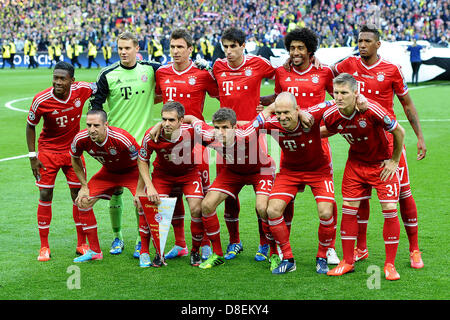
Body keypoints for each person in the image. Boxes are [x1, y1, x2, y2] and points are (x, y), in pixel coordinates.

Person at [332, 24, 426, 268]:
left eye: (366, 41)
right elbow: (325, 76)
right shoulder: (347, 65)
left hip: (388, 145)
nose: (362, 44)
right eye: (359, 40)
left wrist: (420, 137)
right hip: (361, 144)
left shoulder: (391, 70)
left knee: (404, 195)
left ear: (377, 44)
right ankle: (360, 248)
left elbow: (407, 104)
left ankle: (414, 249)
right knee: (359, 199)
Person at [259, 27, 340, 266]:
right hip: (290, 149)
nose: (295, 52)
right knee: (285, 203)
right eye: (292, 48)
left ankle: (330, 249)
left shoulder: (324, 72)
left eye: (300, 48)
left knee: (327, 206)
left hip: (318, 146)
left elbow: (336, 103)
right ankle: (286, 250)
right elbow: (277, 103)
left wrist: (320, 129)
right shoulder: (282, 74)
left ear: (309, 50)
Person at [324, 73, 405, 281]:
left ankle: (389, 265)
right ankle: (347, 261)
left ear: (356, 93)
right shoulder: (332, 114)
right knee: (349, 210)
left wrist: (394, 160)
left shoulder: (371, 110)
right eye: (336, 93)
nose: (339, 97)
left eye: (344, 93)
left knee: (389, 209)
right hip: (356, 165)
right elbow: (324, 130)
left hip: (381, 165)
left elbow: (400, 132)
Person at [90, 31, 161, 258]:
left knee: (139, 196)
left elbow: (173, 78)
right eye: (120, 48)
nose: (123, 52)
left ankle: (142, 241)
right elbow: (96, 107)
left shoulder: (150, 69)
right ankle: (118, 236)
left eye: (127, 48)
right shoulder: (108, 74)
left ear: (137, 48)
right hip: (115, 144)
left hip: (142, 144)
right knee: (116, 193)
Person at [212, 27, 276, 261]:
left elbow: (284, 77)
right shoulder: (218, 66)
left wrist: (269, 101)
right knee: (228, 193)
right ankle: (234, 241)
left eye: (232, 46)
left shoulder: (258, 63)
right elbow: (211, 87)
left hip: (254, 136)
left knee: (261, 196)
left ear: (242, 45)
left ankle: (264, 243)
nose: (228, 51)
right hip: (224, 139)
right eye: (225, 47)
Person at [254, 92, 337, 275]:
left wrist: (360, 99)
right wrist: (269, 110)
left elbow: (336, 101)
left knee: (325, 212)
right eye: (279, 113)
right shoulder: (273, 123)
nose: (282, 117)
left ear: (297, 109)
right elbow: (252, 127)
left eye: (287, 112)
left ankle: (322, 257)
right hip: (289, 171)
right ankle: (288, 259)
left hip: (318, 171)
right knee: (272, 210)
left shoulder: (312, 115)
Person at [155, 28, 219, 261]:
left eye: (180, 47)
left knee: (198, 199)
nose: (175, 51)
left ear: (190, 50)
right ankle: (181, 244)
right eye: (172, 47)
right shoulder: (162, 72)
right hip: (169, 142)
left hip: (196, 143)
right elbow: (154, 97)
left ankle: (202, 246)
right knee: (172, 195)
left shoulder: (201, 74)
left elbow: (221, 95)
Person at [185, 107, 277, 269]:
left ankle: (273, 252)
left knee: (262, 208)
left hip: (261, 170)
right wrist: (158, 126)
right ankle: (218, 254)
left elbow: (271, 108)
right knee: (206, 205)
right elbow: (192, 119)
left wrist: (302, 113)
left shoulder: (247, 132)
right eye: (217, 127)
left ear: (234, 127)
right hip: (233, 172)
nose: (220, 132)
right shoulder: (209, 135)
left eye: (225, 127)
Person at [25, 61, 95, 261]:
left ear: (72, 81)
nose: (57, 82)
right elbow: (30, 126)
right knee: (46, 193)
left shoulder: (81, 90)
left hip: (73, 151)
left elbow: (101, 85)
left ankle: (81, 243)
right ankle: (44, 246)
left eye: (62, 79)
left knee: (78, 194)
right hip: (48, 151)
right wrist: (33, 157)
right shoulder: (41, 100)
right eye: (55, 78)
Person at [135, 102, 210, 268]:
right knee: (152, 208)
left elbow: (211, 134)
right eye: (163, 119)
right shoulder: (152, 135)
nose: (166, 124)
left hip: (189, 174)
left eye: (171, 120)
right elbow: (142, 159)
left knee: (197, 209)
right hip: (163, 176)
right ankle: (152, 253)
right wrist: (148, 186)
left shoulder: (192, 132)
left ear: (181, 120)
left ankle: (195, 251)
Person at [70, 109, 141, 263]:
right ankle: (95, 251)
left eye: (96, 125)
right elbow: (75, 159)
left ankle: (141, 241)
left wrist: (141, 189)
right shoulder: (81, 139)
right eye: (88, 125)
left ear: (106, 125)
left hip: (132, 171)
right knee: (82, 202)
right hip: (108, 173)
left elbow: (142, 160)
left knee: (141, 201)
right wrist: (83, 186)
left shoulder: (121, 138)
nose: (91, 129)